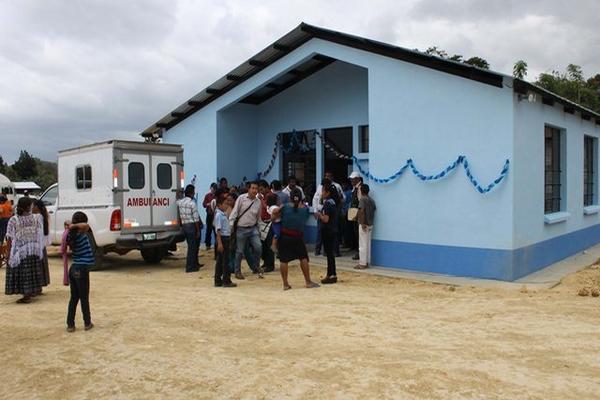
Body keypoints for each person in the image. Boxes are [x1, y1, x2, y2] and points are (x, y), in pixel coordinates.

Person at [274, 188, 320, 290]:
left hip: (285, 236)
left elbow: (275, 215)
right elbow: (305, 218)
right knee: (303, 258)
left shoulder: (285, 207)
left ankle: (285, 284)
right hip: (298, 237)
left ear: (290, 197)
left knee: (284, 260)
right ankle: (308, 281)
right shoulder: (305, 209)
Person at [4, 197, 44, 304]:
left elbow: (9, 238)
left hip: (21, 251)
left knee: (24, 273)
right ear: (27, 207)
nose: (32, 207)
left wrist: (8, 253)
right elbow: (10, 237)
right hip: (32, 250)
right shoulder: (36, 218)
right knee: (32, 271)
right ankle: (32, 291)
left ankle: (27, 295)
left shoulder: (15, 219)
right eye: (31, 205)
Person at [65, 212, 95, 332]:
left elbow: (68, 223)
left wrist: (71, 225)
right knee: (84, 298)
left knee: (74, 298)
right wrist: (74, 225)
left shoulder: (70, 235)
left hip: (73, 269)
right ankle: (87, 323)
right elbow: (86, 226)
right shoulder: (82, 233)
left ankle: (70, 324)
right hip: (82, 269)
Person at [229, 181, 262, 280]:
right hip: (241, 229)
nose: (254, 190)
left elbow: (258, 217)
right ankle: (237, 271)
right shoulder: (241, 198)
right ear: (249, 189)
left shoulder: (258, 202)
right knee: (239, 251)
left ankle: (256, 266)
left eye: (256, 189)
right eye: (253, 188)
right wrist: (231, 227)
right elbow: (234, 213)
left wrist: (259, 230)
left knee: (258, 247)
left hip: (253, 229)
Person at [316, 184, 339, 284]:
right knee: (331, 254)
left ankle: (330, 274)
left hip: (328, 230)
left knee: (329, 254)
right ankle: (332, 274)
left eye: (323, 191)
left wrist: (319, 215)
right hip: (333, 229)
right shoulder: (333, 202)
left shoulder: (327, 204)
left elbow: (326, 219)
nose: (322, 193)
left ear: (328, 192)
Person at [177, 184, 203, 272]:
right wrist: (198, 230)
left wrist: (179, 192)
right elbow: (196, 219)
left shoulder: (180, 202)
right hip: (192, 226)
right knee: (192, 248)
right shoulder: (192, 203)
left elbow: (177, 199)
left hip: (184, 226)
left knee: (191, 246)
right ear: (192, 193)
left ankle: (194, 265)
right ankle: (190, 267)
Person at [213, 194, 237, 288]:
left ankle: (218, 280)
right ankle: (226, 281)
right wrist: (219, 243)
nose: (226, 205)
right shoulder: (219, 215)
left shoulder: (222, 214)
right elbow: (218, 230)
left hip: (225, 238)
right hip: (223, 239)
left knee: (220, 260)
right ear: (219, 205)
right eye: (225, 204)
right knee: (225, 261)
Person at [356, 184, 376, 269]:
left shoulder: (362, 199)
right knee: (368, 244)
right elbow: (374, 209)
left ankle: (362, 263)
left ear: (361, 191)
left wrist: (362, 222)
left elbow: (361, 211)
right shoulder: (372, 200)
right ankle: (367, 262)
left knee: (362, 244)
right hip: (370, 224)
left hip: (364, 224)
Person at [32, 199, 51, 290]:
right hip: (42, 245)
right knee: (41, 266)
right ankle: (40, 286)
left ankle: (37, 286)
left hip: (37, 245)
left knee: (37, 266)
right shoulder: (43, 216)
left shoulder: (37, 217)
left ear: (36, 207)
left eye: (32, 205)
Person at [258, 180, 276, 273]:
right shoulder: (264, 196)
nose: (260, 191)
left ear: (266, 188)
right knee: (264, 245)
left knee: (269, 244)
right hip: (262, 223)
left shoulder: (270, 196)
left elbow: (268, 209)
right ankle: (266, 262)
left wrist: (261, 200)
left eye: (261, 189)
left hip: (270, 223)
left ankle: (270, 265)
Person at [348, 171, 363, 260]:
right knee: (355, 233)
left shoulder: (359, 189)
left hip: (357, 214)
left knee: (358, 235)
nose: (351, 181)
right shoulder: (354, 188)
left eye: (353, 179)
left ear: (357, 179)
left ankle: (359, 252)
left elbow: (361, 202)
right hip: (354, 213)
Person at [202, 183, 218, 250]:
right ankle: (207, 244)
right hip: (209, 215)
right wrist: (208, 204)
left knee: (216, 231)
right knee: (208, 230)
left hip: (216, 215)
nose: (213, 190)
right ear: (210, 188)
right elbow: (204, 204)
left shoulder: (217, 196)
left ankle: (216, 245)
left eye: (215, 189)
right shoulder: (207, 196)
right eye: (212, 188)